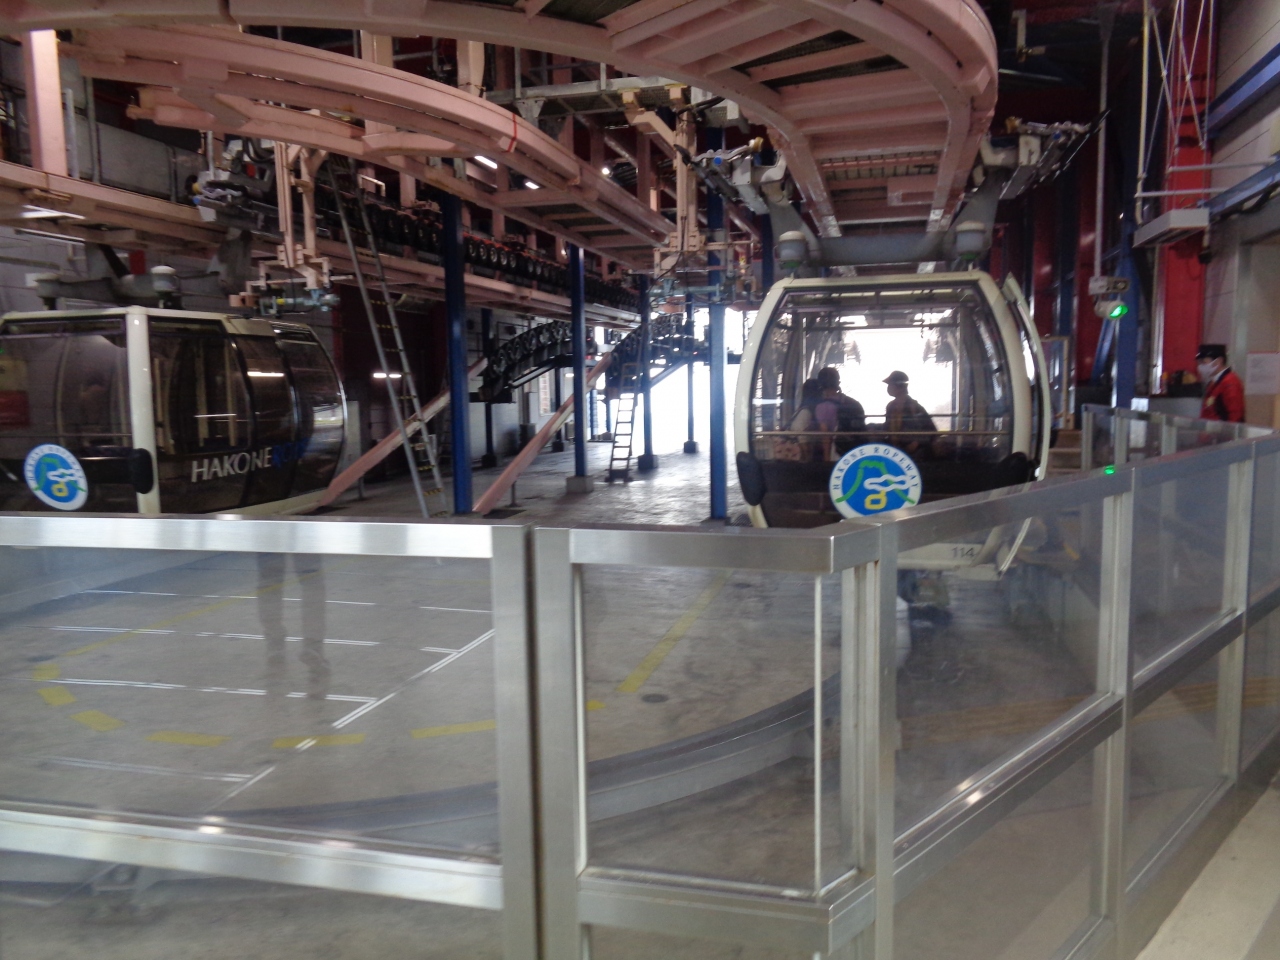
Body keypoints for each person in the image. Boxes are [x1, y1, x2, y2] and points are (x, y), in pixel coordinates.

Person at [882, 370, 937, 458]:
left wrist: (916, 443)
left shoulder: (915, 407)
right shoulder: (891, 406)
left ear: (899, 387)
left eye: (890, 385)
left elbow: (931, 431)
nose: (888, 388)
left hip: (914, 453)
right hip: (895, 451)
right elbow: (887, 427)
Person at [814, 366, 865, 459]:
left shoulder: (822, 407)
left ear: (820, 383)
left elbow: (826, 437)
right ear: (838, 381)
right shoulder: (854, 403)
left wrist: (826, 460)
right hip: (857, 451)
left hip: (838, 452)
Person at [1197, 344, 1246, 423]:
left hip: (1222, 430)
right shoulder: (1215, 381)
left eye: (1204, 362)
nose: (1200, 366)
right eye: (1199, 362)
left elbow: (1235, 415)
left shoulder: (1230, 382)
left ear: (1218, 361)